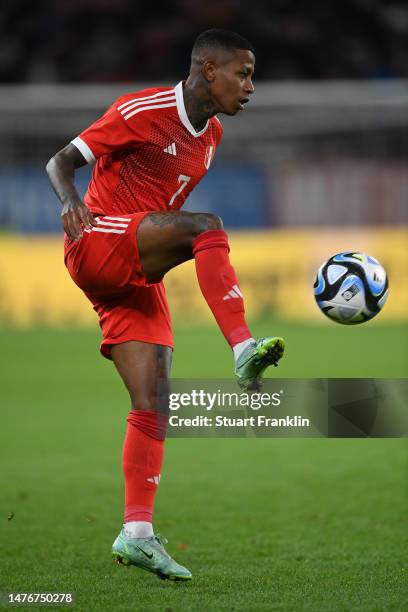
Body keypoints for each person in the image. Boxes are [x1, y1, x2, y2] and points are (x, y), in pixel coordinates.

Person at [46, 28, 285, 582]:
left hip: (132, 268)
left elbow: (160, 208)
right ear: (208, 70)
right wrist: (70, 204)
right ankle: (243, 346)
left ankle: (136, 534)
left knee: (153, 404)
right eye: (242, 74)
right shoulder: (142, 109)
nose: (250, 86)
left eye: (251, 75)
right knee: (208, 229)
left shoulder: (212, 135)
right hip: (98, 237)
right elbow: (59, 162)